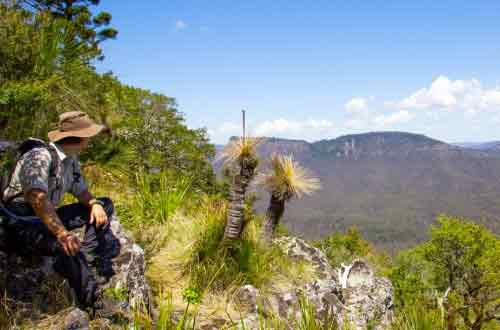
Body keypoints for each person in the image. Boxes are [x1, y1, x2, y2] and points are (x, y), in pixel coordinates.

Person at [1, 111, 120, 311]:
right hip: (22, 221)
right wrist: (62, 234)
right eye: (88, 136)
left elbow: (80, 190)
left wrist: (94, 203)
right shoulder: (39, 156)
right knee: (65, 247)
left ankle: (87, 257)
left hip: (44, 217)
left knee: (105, 204)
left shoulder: (70, 160)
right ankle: (94, 301)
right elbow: (37, 198)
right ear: (79, 138)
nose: (89, 141)